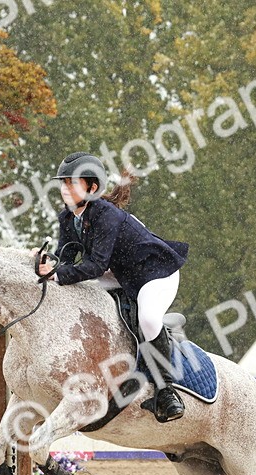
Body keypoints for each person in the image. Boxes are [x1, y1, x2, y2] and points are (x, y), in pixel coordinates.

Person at [36, 152, 189, 423]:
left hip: (155, 273)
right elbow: (66, 257)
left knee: (149, 319)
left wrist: (58, 275)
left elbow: (94, 266)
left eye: (71, 183)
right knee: (80, 295)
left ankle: (167, 391)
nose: (64, 189)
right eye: (63, 183)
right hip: (119, 273)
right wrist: (47, 265)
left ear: (92, 188)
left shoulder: (106, 214)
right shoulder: (68, 217)